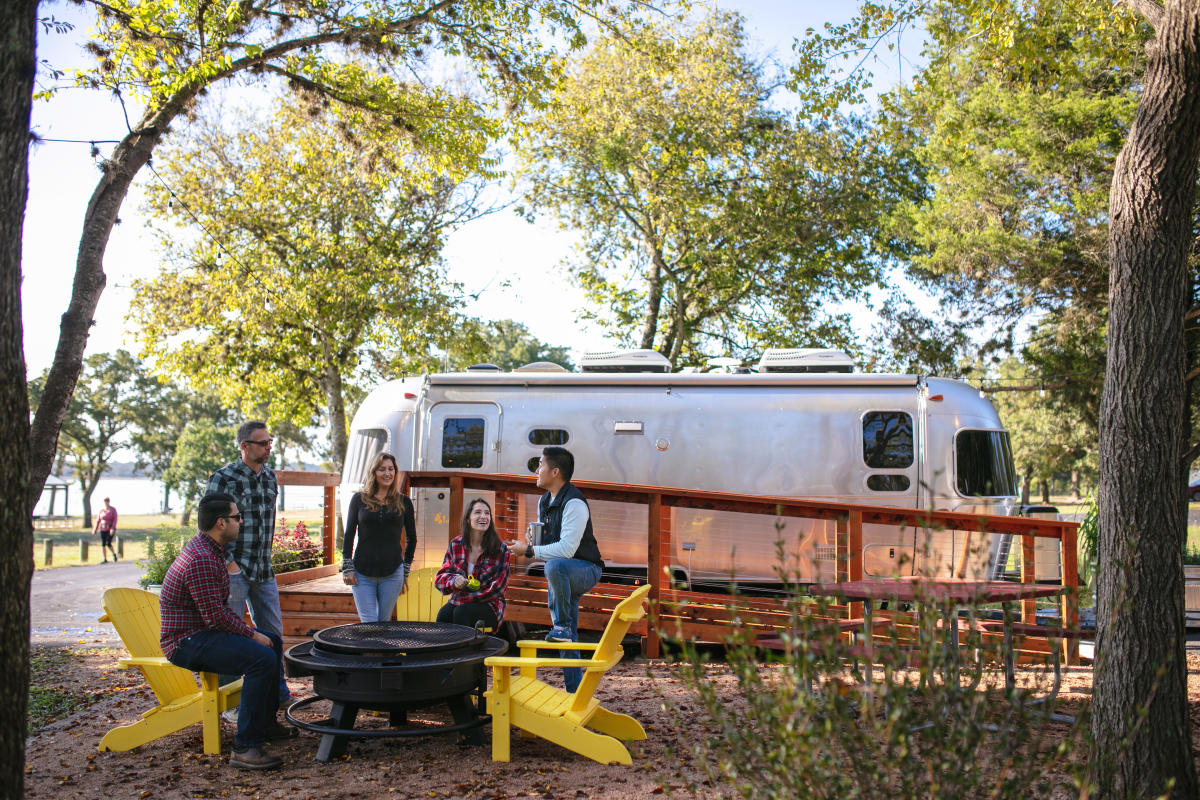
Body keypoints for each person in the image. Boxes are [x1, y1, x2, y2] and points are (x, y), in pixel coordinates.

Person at [160, 492, 297, 770]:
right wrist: (251, 634)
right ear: (221, 523)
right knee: (260, 657)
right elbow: (216, 618)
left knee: (272, 639)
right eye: (237, 517)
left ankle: (264, 725)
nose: (241, 521)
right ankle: (245, 746)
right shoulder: (201, 559)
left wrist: (260, 636)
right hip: (186, 642)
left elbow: (216, 617)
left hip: (201, 633)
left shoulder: (210, 551)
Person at [206, 421, 290, 705]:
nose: (269, 447)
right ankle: (230, 702)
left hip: (263, 570)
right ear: (244, 446)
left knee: (273, 632)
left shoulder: (270, 477)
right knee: (229, 636)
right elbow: (208, 527)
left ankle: (278, 693)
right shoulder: (223, 479)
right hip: (233, 571)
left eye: (270, 441)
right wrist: (229, 563)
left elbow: (270, 520)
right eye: (263, 443)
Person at [523, 446, 604, 693]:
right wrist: (531, 542)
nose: (537, 470)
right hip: (562, 573)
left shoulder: (575, 503)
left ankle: (562, 627)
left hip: (587, 569)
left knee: (555, 565)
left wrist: (529, 552)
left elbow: (567, 550)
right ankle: (574, 693)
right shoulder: (544, 501)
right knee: (566, 632)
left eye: (540, 465)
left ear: (555, 472)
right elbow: (549, 545)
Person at [341, 452, 417, 623]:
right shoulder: (359, 499)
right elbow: (349, 534)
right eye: (382, 469)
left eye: (391, 469)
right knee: (369, 624)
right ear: (374, 472)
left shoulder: (404, 502)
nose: (387, 473)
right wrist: (347, 567)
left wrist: (405, 571)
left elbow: (412, 538)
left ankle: (380, 651)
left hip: (392, 574)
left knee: (383, 623)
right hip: (362, 573)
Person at [434, 498, 511, 630]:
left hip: (489, 605)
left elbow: (498, 588)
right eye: (478, 512)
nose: (483, 516)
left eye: (487, 513)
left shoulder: (500, 549)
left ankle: (466, 651)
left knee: (462, 612)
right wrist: (454, 580)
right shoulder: (456, 544)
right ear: (468, 519)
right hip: (459, 601)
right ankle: (444, 650)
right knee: (444, 615)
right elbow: (440, 579)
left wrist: (464, 599)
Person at [94, 497, 118, 563]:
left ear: (109, 502)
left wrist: (113, 528)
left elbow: (115, 520)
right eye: (105, 501)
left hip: (110, 529)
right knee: (103, 544)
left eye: (107, 501)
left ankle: (114, 554)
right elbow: (98, 520)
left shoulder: (113, 510)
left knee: (108, 543)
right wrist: (95, 529)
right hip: (103, 529)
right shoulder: (101, 511)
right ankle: (105, 559)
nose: (106, 502)